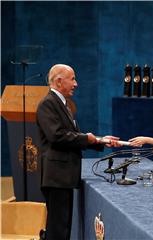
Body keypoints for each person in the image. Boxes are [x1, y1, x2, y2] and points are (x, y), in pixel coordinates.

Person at [36, 64, 119, 240]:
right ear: (59, 81)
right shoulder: (48, 104)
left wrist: (99, 140)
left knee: (62, 228)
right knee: (58, 230)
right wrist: (88, 138)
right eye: (72, 79)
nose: (76, 84)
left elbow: (72, 136)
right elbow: (57, 136)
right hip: (57, 177)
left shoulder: (63, 104)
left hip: (63, 177)